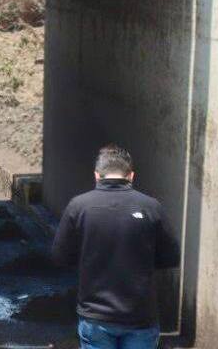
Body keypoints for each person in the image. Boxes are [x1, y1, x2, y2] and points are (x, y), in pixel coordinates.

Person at [51, 144, 180, 349]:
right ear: (131, 176)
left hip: (95, 315)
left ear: (96, 176)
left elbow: (60, 256)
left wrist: (88, 257)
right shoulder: (151, 207)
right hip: (140, 316)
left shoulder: (79, 206)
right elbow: (171, 257)